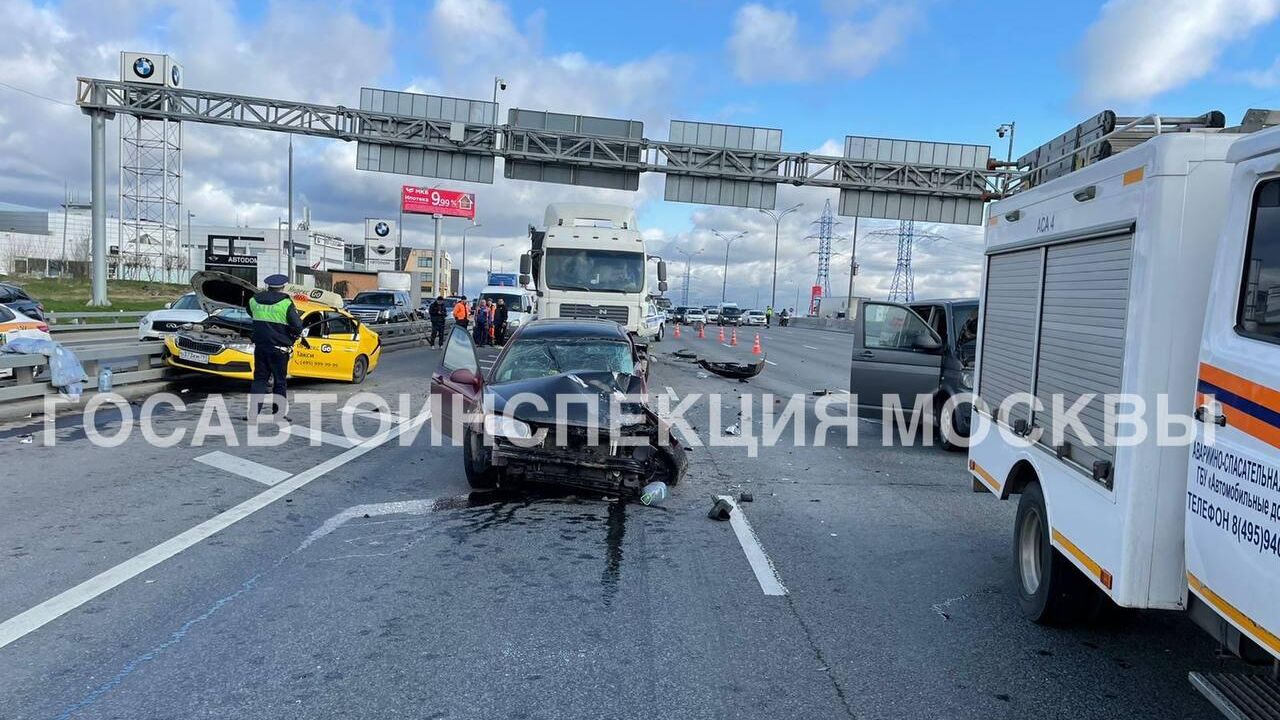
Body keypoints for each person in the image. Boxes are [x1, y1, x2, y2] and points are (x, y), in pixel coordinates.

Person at [248, 274, 302, 417]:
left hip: (260, 347)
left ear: (268, 286)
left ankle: (253, 413)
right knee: (280, 381)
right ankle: (278, 413)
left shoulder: (254, 300)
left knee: (259, 380)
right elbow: (297, 326)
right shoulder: (286, 303)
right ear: (283, 287)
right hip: (279, 349)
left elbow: (250, 312)